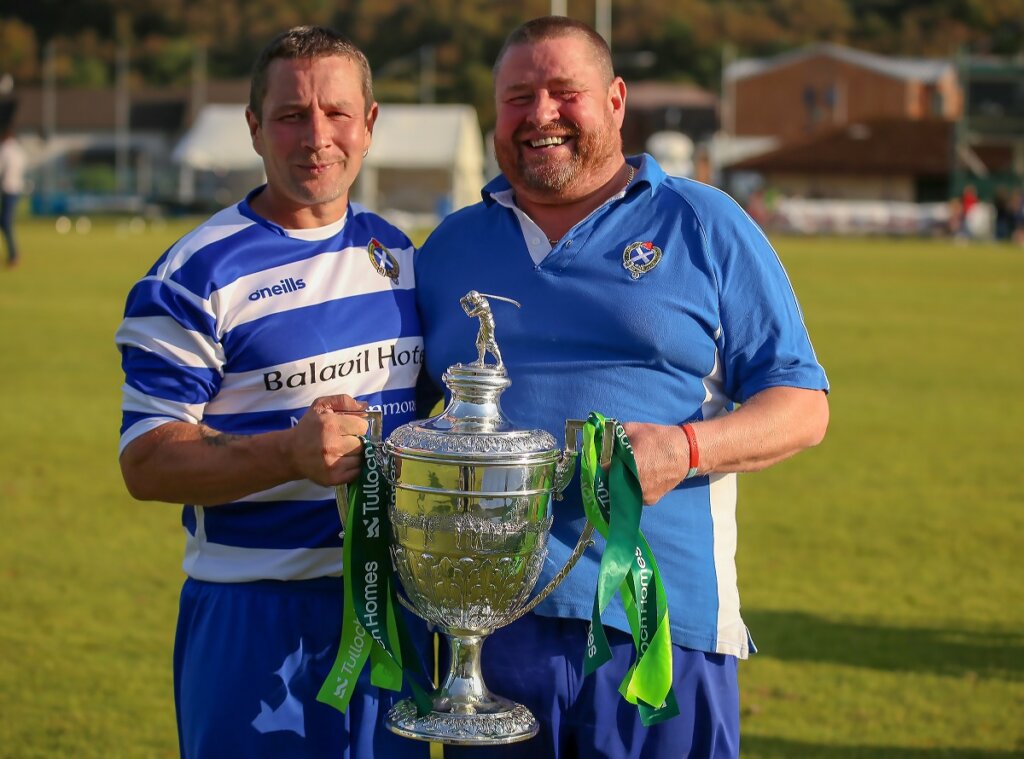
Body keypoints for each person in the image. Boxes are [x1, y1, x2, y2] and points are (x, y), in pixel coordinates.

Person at [415, 16, 830, 759]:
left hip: (661, 630)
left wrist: (686, 447)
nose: (540, 114)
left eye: (563, 92)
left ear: (615, 100)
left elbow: (802, 406)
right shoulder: (449, 247)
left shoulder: (704, 222)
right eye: (518, 98)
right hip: (488, 634)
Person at [115, 26, 429, 759]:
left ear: (369, 123)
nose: (316, 137)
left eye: (336, 112)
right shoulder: (191, 276)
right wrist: (289, 454)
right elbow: (146, 460)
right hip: (253, 614)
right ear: (254, 127)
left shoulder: (404, 256)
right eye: (291, 115)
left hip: (395, 611)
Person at [0, 125, 26, 268]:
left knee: (5, 223)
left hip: (7, 189)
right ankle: (13, 255)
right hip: (16, 189)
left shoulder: (5, 150)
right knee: (5, 222)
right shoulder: (19, 150)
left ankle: (13, 255)